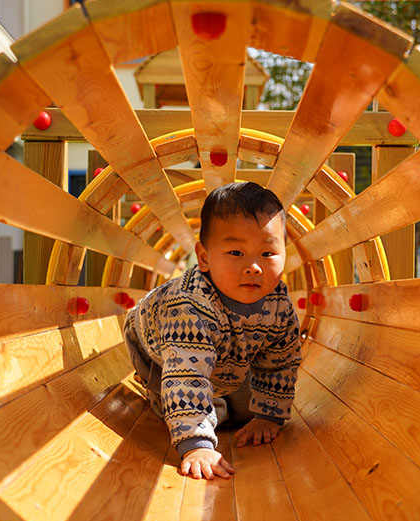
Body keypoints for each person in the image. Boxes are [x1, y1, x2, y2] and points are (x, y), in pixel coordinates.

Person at [124, 181, 301, 480]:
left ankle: (217, 398)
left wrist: (268, 415)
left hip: (228, 350)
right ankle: (161, 393)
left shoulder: (277, 304)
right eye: (236, 252)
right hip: (158, 349)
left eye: (268, 253)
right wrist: (196, 444)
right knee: (188, 404)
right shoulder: (188, 307)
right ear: (205, 258)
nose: (254, 267)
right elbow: (185, 375)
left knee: (243, 411)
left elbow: (280, 360)